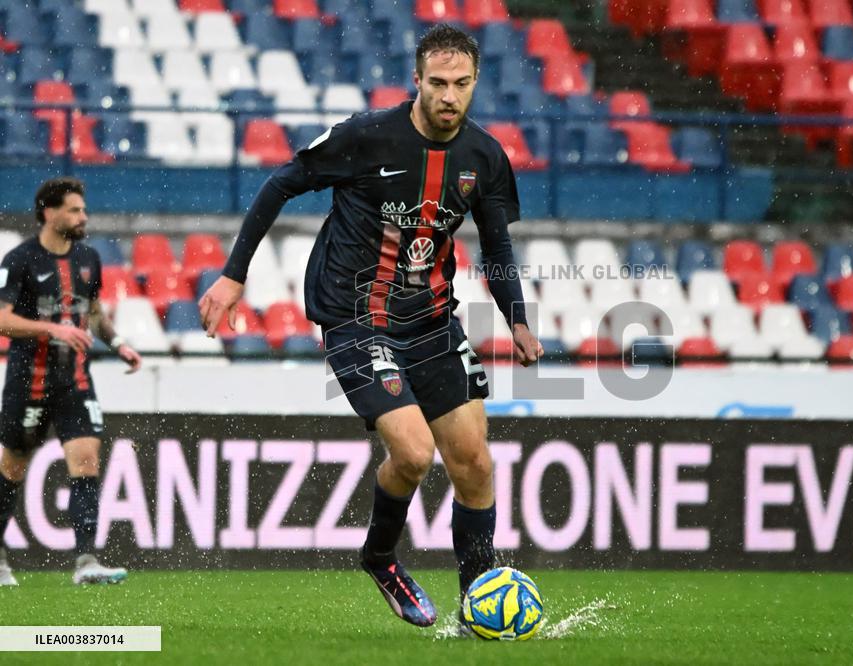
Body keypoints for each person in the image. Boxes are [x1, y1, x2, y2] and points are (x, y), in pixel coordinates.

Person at [199, 24, 542, 627]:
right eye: (437, 82)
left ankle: (473, 608)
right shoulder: (366, 136)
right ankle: (380, 556)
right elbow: (282, 183)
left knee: (475, 464)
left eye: (461, 84)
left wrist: (517, 319)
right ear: (416, 80)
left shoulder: (485, 157)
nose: (448, 96)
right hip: (357, 317)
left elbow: (497, 246)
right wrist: (234, 274)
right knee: (412, 454)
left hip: (433, 319)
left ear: (476, 84)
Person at [0, 177, 142, 586]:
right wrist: (52, 330)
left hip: (74, 379)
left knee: (86, 459)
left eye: (83, 209)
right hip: (29, 380)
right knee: (12, 468)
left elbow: (93, 312)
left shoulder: (89, 258)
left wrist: (118, 344)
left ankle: (86, 561)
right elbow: (3, 319)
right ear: (49, 212)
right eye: (75, 210)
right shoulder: (20, 260)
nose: (84, 216)